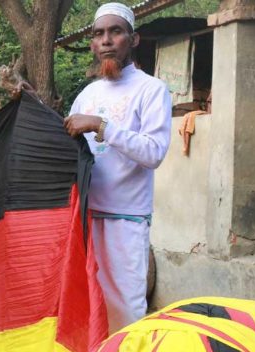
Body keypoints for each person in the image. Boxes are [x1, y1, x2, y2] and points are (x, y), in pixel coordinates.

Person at [63, 3, 172, 333]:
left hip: (126, 219)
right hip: (83, 218)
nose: (106, 40)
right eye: (99, 34)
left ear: (133, 39)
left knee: (124, 309)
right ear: (93, 45)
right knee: (83, 304)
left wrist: (101, 124)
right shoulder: (88, 94)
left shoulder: (151, 90)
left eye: (116, 31)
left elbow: (153, 152)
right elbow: (68, 144)